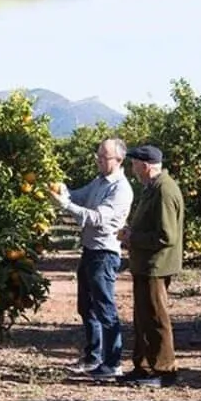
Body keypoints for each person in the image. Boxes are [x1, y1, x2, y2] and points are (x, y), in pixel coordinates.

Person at [50, 137, 134, 379]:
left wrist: (65, 206)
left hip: (104, 254)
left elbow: (97, 218)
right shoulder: (100, 181)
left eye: (103, 157)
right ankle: (93, 357)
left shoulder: (120, 189)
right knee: (87, 307)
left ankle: (112, 363)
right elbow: (78, 195)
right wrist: (62, 189)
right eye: (97, 155)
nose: (98, 160)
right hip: (89, 251)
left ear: (118, 160)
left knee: (105, 309)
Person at [117, 144, 184, 388]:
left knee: (156, 317)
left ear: (145, 166)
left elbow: (167, 236)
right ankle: (144, 366)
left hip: (157, 265)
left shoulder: (164, 191)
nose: (132, 169)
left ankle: (164, 370)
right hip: (145, 265)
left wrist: (132, 238)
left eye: (134, 164)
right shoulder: (152, 188)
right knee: (143, 317)